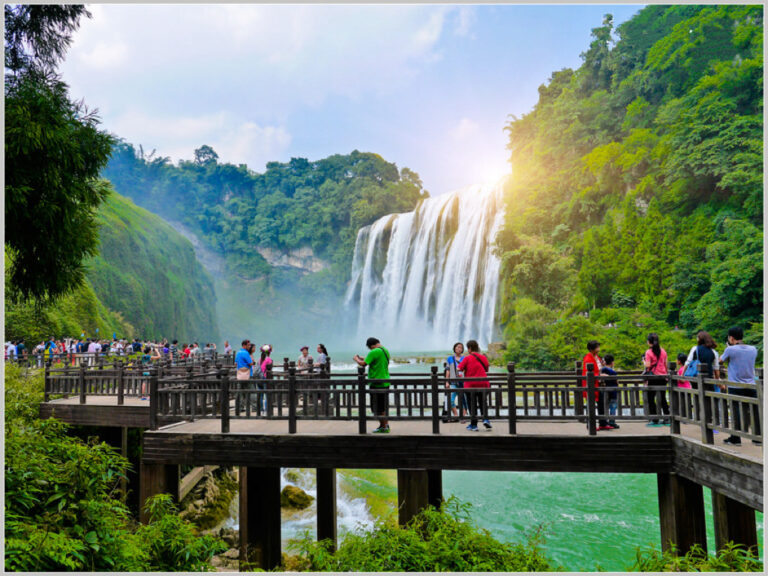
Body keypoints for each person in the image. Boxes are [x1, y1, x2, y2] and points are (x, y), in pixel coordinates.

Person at [720, 326, 760, 446]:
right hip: (752, 385)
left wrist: (729, 348)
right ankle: (757, 438)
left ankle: (735, 438)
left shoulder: (730, 350)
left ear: (731, 338)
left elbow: (720, 361)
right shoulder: (753, 349)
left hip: (735, 386)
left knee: (736, 411)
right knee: (755, 412)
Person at [353, 337, 391, 433]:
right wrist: (364, 358)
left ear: (371, 346)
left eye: (370, 348)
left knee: (377, 407)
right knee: (383, 406)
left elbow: (363, 364)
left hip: (376, 383)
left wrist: (356, 359)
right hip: (385, 381)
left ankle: (384, 427)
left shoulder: (373, 351)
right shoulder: (385, 350)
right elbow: (376, 360)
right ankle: (384, 425)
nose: (370, 350)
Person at [458, 340, 491, 431]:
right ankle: (485, 419)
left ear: (469, 348)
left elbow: (459, 369)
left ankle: (474, 425)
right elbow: (487, 369)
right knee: (483, 402)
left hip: (470, 384)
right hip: (483, 383)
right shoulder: (483, 357)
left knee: (471, 404)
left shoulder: (467, 358)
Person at [582, 340, 610, 430]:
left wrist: (602, 366)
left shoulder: (596, 357)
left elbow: (598, 368)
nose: (598, 348)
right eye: (597, 347)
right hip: (591, 384)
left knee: (601, 403)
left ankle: (603, 423)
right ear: (592, 349)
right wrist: (599, 375)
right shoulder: (588, 358)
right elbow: (588, 372)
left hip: (597, 384)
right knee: (590, 404)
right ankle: (590, 424)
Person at [643, 333, 669, 426]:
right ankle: (666, 417)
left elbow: (648, 365)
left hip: (653, 377)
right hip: (662, 377)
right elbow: (666, 365)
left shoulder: (648, 352)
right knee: (662, 398)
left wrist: (644, 361)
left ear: (649, 342)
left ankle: (655, 419)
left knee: (651, 398)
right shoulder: (663, 351)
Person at [445, 342, 468, 423]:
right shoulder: (450, 358)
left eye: (461, 348)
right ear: (454, 348)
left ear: (462, 350)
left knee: (464, 401)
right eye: (457, 347)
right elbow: (447, 370)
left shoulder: (465, 358)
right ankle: (456, 415)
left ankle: (463, 417)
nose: (459, 349)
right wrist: (447, 382)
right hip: (453, 383)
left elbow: (467, 370)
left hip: (463, 383)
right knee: (450, 400)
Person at [601, 354, 619, 429]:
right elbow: (617, 382)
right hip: (613, 390)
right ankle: (612, 421)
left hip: (604, 390)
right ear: (612, 362)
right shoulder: (613, 372)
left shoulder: (602, 370)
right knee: (613, 406)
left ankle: (605, 421)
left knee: (605, 406)